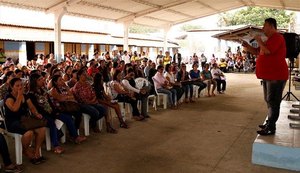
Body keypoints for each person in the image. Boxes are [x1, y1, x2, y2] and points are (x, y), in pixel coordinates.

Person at [242, 18, 288, 136]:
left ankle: (271, 127)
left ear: (271, 26)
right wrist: (247, 46)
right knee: (269, 100)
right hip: (268, 76)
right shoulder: (268, 40)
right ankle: (269, 122)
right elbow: (258, 52)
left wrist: (258, 40)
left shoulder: (278, 37)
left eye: (265, 25)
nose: (263, 28)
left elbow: (268, 51)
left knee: (273, 101)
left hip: (276, 76)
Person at [4, 77, 46, 165]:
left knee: (42, 129)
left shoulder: (25, 95)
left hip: (25, 120)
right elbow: (15, 109)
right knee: (29, 133)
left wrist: (36, 113)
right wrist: (19, 96)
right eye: (17, 86)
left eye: (21, 85)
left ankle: (37, 150)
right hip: (12, 122)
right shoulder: (8, 97)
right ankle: (26, 151)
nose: (20, 87)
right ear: (12, 87)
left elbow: (32, 107)